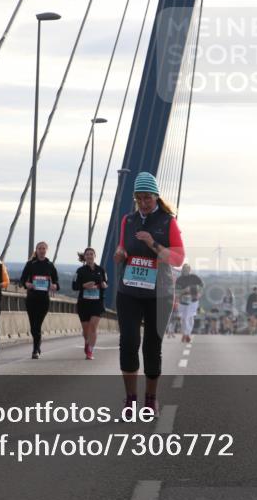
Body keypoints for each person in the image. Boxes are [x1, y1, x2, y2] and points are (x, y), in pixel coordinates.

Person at [113, 172, 185, 414]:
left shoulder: (168, 222)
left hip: (159, 294)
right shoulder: (128, 220)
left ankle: (151, 399)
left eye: (148, 198)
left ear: (156, 197)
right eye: (139, 199)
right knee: (129, 343)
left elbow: (177, 259)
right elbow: (123, 247)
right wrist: (120, 254)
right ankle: (130, 399)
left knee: (152, 346)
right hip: (129, 291)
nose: (144, 203)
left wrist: (152, 243)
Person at [20, 241, 59, 359]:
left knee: (38, 324)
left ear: (46, 250)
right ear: (36, 250)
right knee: (33, 326)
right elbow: (22, 280)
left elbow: (57, 282)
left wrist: (54, 286)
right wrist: (27, 284)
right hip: (32, 298)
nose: (42, 250)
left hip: (44, 300)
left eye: (44, 248)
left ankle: (35, 349)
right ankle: (37, 345)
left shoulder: (50, 265)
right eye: (39, 248)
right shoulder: (30, 264)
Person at [72, 247, 107, 360]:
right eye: (87, 254)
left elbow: (106, 283)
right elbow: (74, 286)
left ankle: (90, 351)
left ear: (94, 256)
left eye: (91, 254)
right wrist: (84, 285)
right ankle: (87, 342)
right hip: (84, 303)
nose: (89, 256)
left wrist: (104, 285)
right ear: (85, 257)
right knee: (86, 330)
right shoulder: (80, 271)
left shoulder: (101, 270)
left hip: (97, 303)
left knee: (93, 328)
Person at [176, 264, 203, 344]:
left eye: (187, 269)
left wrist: (199, 293)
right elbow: (176, 291)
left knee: (190, 317)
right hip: (183, 301)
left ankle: (186, 334)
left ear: (190, 270)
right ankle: (186, 333)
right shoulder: (179, 279)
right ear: (182, 270)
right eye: (184, 269)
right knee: (184, 318)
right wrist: (184, 290)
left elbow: (202, 285)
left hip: (193, 300)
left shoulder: (194, 277)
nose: (186, 270)